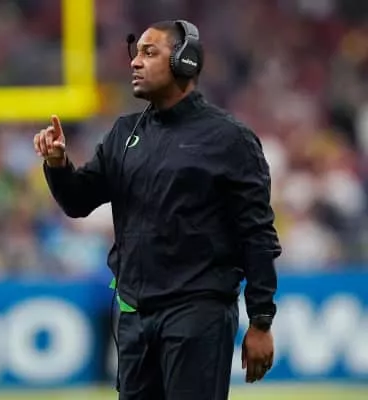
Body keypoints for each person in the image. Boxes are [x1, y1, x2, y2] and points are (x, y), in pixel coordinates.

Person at [34, 19, 282, 400]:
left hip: (197, 313)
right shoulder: (124, 133)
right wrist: (57, 164)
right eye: (135, 53)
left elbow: (257, 234)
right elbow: (78, 202)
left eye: (149, 53)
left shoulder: (229, 138)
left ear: (185, 61)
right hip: (135, 316)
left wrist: (261, 320)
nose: (135, 62)